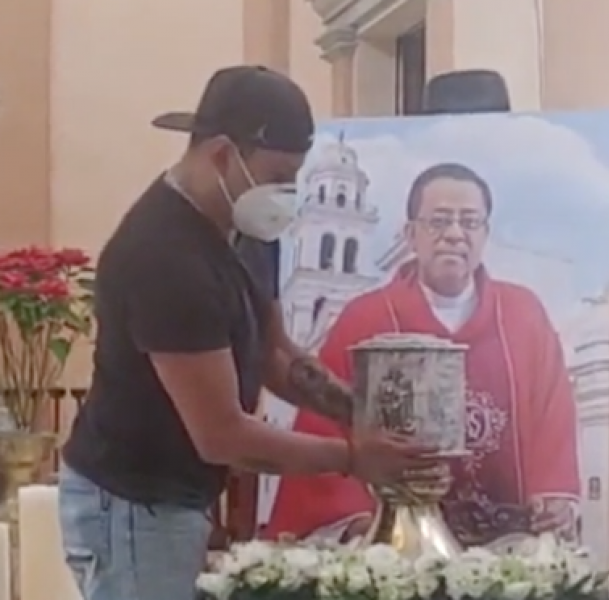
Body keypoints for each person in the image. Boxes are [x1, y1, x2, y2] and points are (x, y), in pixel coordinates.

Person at [57, 66, 439, 600]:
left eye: (296, 178)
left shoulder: (251, 223)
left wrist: (359, 413)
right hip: (132, 503)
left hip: (180, 493)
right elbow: (223, 436)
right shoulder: (164, 257)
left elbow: (274, 353)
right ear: (220, 156)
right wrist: (353, 458)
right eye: (279, 174)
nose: (286, 194)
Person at [260, 162, 581, 547]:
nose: (455, 234)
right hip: (396, 544)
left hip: (506, 537)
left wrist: (554, 492)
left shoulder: (523, 313)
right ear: (411, 234)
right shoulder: (367, 318)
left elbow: (553, 410)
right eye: (439, 221)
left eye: (470, 222)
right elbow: (324, 420)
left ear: (485, 233)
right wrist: (358, 519)